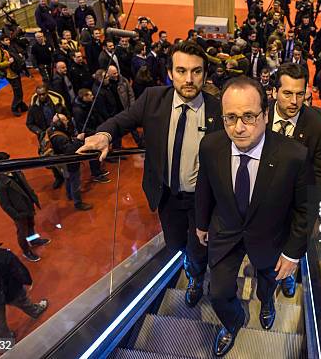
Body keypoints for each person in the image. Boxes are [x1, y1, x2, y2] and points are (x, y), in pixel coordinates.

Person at [77, 41, 224, 308]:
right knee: (176, 242)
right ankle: (191, 264)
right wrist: (104, 134)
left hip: (202, 201)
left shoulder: (218, 110)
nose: (189, 79)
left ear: (205, 74)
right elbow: (123, 119)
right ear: (169, 72)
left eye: (196, 71)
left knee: (199, 247)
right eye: (181, 71)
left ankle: (197, 278)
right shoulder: (153, 98)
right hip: (165, 195)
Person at [195, 76, 312, 356]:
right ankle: (233, 322)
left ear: (265, 114)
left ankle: (267, 303)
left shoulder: (294, 155)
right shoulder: (211, 146)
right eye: (230, 117)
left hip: (270, 237)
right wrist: (201, 223)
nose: (238, 127)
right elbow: (204, 186)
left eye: (248, 116)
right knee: (219, 294)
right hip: (226, 231)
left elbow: (305, 209)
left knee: (267, 283)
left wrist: (293, 254)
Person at [267, 63, 321, 296]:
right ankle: (266, 295)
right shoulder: (258, 115)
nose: (294, 101)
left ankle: (288, 275)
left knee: (291, 249)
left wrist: (318, 214)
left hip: (295, 208)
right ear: (274, 92)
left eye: (300, 94)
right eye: (287, 93)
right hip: (259, 205)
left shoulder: (318, 127)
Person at [0, 152, 50, 262]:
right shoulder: (0, 184)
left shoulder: (16, 171)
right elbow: (5, 204)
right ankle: (26, 251)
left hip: (28, 205)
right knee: (22, 232)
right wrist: (16, 215)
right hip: (19, 212)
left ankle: (33, 241)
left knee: (31, 225)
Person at [26, 85, 67, 189]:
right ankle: (58, 177)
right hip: (45, 136)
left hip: (59, 133)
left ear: (47, 93)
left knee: (64, 153)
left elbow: (67, 115)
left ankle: (67, 173)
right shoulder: (33, 108)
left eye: (43, 94)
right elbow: (30, 123)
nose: (42, 96)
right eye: (39, 95)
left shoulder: (56, 103)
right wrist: (39, 132)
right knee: (50, 157)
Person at [49, 113, 93, 210]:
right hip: (69, 163)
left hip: (61, 162)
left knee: (68, 178)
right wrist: (78, 140)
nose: (67, 121)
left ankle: (69, 194)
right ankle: (78, 203)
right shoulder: (59, 137)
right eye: (64, 120)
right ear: (59, 123)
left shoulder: (52, 130)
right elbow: (70, 150)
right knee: (75, 182)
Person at [0, 35, 27, 117]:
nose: (8, 41)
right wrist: (8, 62)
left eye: (8, 39)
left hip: (15, 72)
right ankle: (14, 107)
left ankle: (21, 105)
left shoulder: (8, 48)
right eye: (6, 40)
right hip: (10, 74)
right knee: (17, 92)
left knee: (19, 91)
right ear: (1, 41)